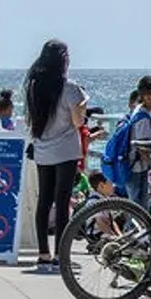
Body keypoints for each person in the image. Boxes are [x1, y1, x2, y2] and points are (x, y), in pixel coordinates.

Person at [25, 39, 88, 271]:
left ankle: (43, 253)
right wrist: (83, 105)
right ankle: (61, 254)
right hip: (66, 150)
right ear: (62, 60)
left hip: (43, 150)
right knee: (62, 202)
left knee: (44, 201)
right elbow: (78, 121)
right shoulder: (69, 88)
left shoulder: (34, 86)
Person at [122, 75, 151, 210]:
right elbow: (142, 148)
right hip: (136, 168)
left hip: (137, 166)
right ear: (148, 97)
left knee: (140, 205)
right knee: (138, 207)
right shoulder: (143, 118)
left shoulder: (142, 112)